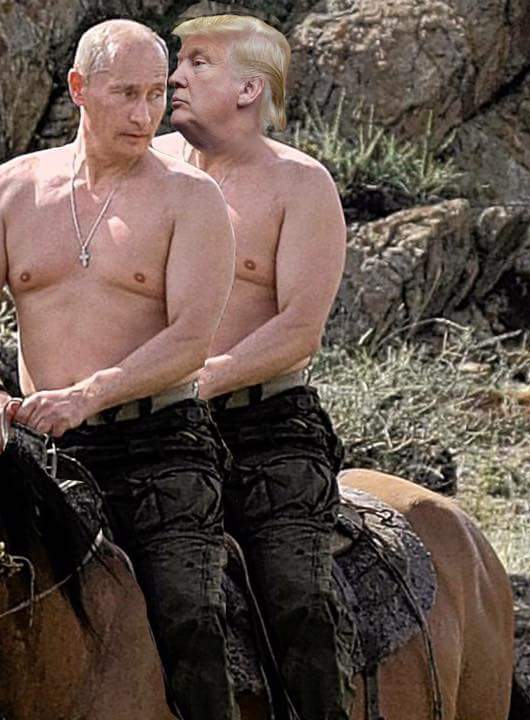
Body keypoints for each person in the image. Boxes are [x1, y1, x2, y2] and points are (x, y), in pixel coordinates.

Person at [0, 19, 239, 720]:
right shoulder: (13, 189)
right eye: (126, 93)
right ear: (79, 88)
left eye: (157, 95)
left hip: (159, 447)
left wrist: (89, 393)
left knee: (189, 614)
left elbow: (190, 339)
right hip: (42, 451)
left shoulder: (191, 198)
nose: (145, 113)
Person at [153, 14, 355, 720]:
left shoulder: (299, 184)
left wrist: (197, 379)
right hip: (143, 431)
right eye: (179, 60)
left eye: (198, 63)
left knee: (298, 598)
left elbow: (299, 330)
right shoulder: (147, 167)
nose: (175, 77)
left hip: (265, 427)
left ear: (248, 89)